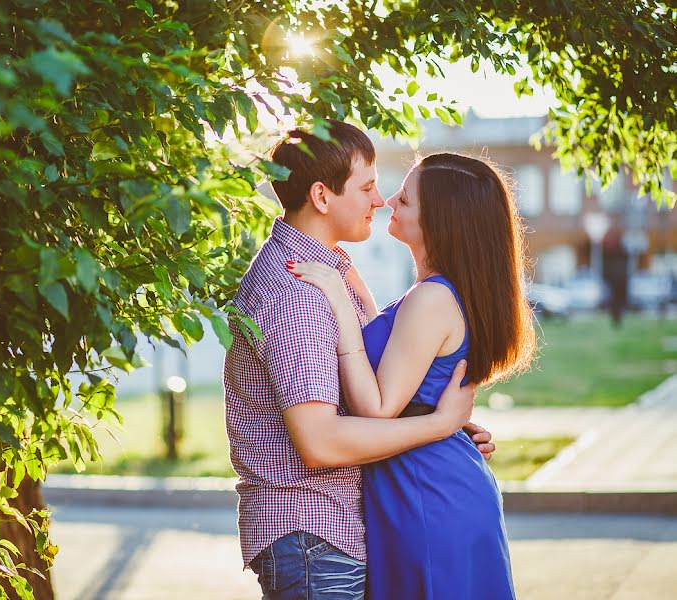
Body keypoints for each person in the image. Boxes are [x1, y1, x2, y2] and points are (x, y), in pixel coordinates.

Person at [222, 120, 497, 600]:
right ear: (323, 197)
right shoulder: (297, 296)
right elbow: (321, 443)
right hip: (313, 531)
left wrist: (431, 419)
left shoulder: (326, 274)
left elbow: (360, 390)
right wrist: (437, 426)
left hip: (330, 531)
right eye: (368, 186)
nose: (380, 199)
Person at [289, 152, 537, 599]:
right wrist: (344, 272)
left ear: (439, 220)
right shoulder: (434, 292)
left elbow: (378, 407)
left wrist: (339, 302)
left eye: (403, 198)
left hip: (428, 494)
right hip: (424, 480)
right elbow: (391, 356)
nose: (387, 202)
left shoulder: (432, 298)